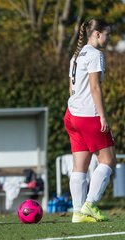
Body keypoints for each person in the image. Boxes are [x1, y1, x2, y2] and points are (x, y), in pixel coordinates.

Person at [64, 19, 116, 223]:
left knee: (80, 165)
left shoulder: (76, 55)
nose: (108, 38)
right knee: (108, 160)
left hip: (72, 115)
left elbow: (71, 88)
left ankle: (77, 212)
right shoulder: (95, 54)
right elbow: (95, 87)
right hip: (88, 116)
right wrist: (102, 115)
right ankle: (90, 204)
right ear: (97, 34)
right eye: (107, 34)